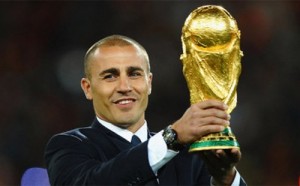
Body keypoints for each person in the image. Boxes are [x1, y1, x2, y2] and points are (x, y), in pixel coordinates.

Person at [45, 35, 246, 185]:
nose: (124, 87)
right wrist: (172, 137)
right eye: (110, 76)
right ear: (87, 88)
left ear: (149, 83)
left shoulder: (189, 156)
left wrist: (225, 178)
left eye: (134, 74)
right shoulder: (69, 146)